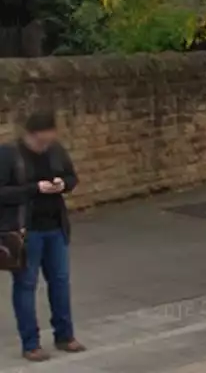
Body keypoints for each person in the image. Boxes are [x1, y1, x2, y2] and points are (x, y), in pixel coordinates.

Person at [0, 112, 86, 362]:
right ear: (30, 135)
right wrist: (34, 188)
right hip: (25, 231)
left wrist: (63, 184)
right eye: (41, 142)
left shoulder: (55, 151)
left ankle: (65, 335)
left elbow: (72, 177)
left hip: (55, 227)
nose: (45, 146)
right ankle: (31, 343)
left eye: (49, 141)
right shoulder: (8, 155)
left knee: (60, 281)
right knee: (26, 285)